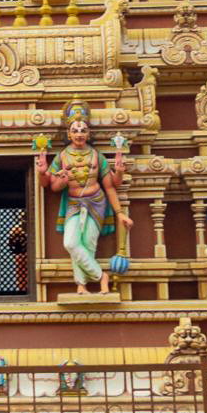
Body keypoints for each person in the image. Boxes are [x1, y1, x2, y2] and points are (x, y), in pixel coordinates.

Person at [37, 101, 132, 294]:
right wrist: (45, 173)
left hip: (96, 202)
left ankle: (81, 285)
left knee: (88, 244)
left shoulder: (97, 156)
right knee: (71, 243)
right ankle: (101, 276)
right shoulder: (62, 156)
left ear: (89, 134)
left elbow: (111, 185)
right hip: (74, 203)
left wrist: (120, 210)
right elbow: (50, 185)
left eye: (83, 130)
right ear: (69, 134)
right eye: (75, 130)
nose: (79, 133)